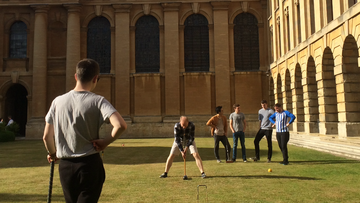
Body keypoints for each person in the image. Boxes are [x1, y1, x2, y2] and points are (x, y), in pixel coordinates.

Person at [43, 58, 127, 203]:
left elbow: (46, 137)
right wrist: (105, 142)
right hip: (89, 164)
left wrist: (52, 153)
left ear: (76, 76)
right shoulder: (98, 101)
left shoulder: (57, 101)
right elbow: (120, 125)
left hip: (66, 166)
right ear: (95, 78)